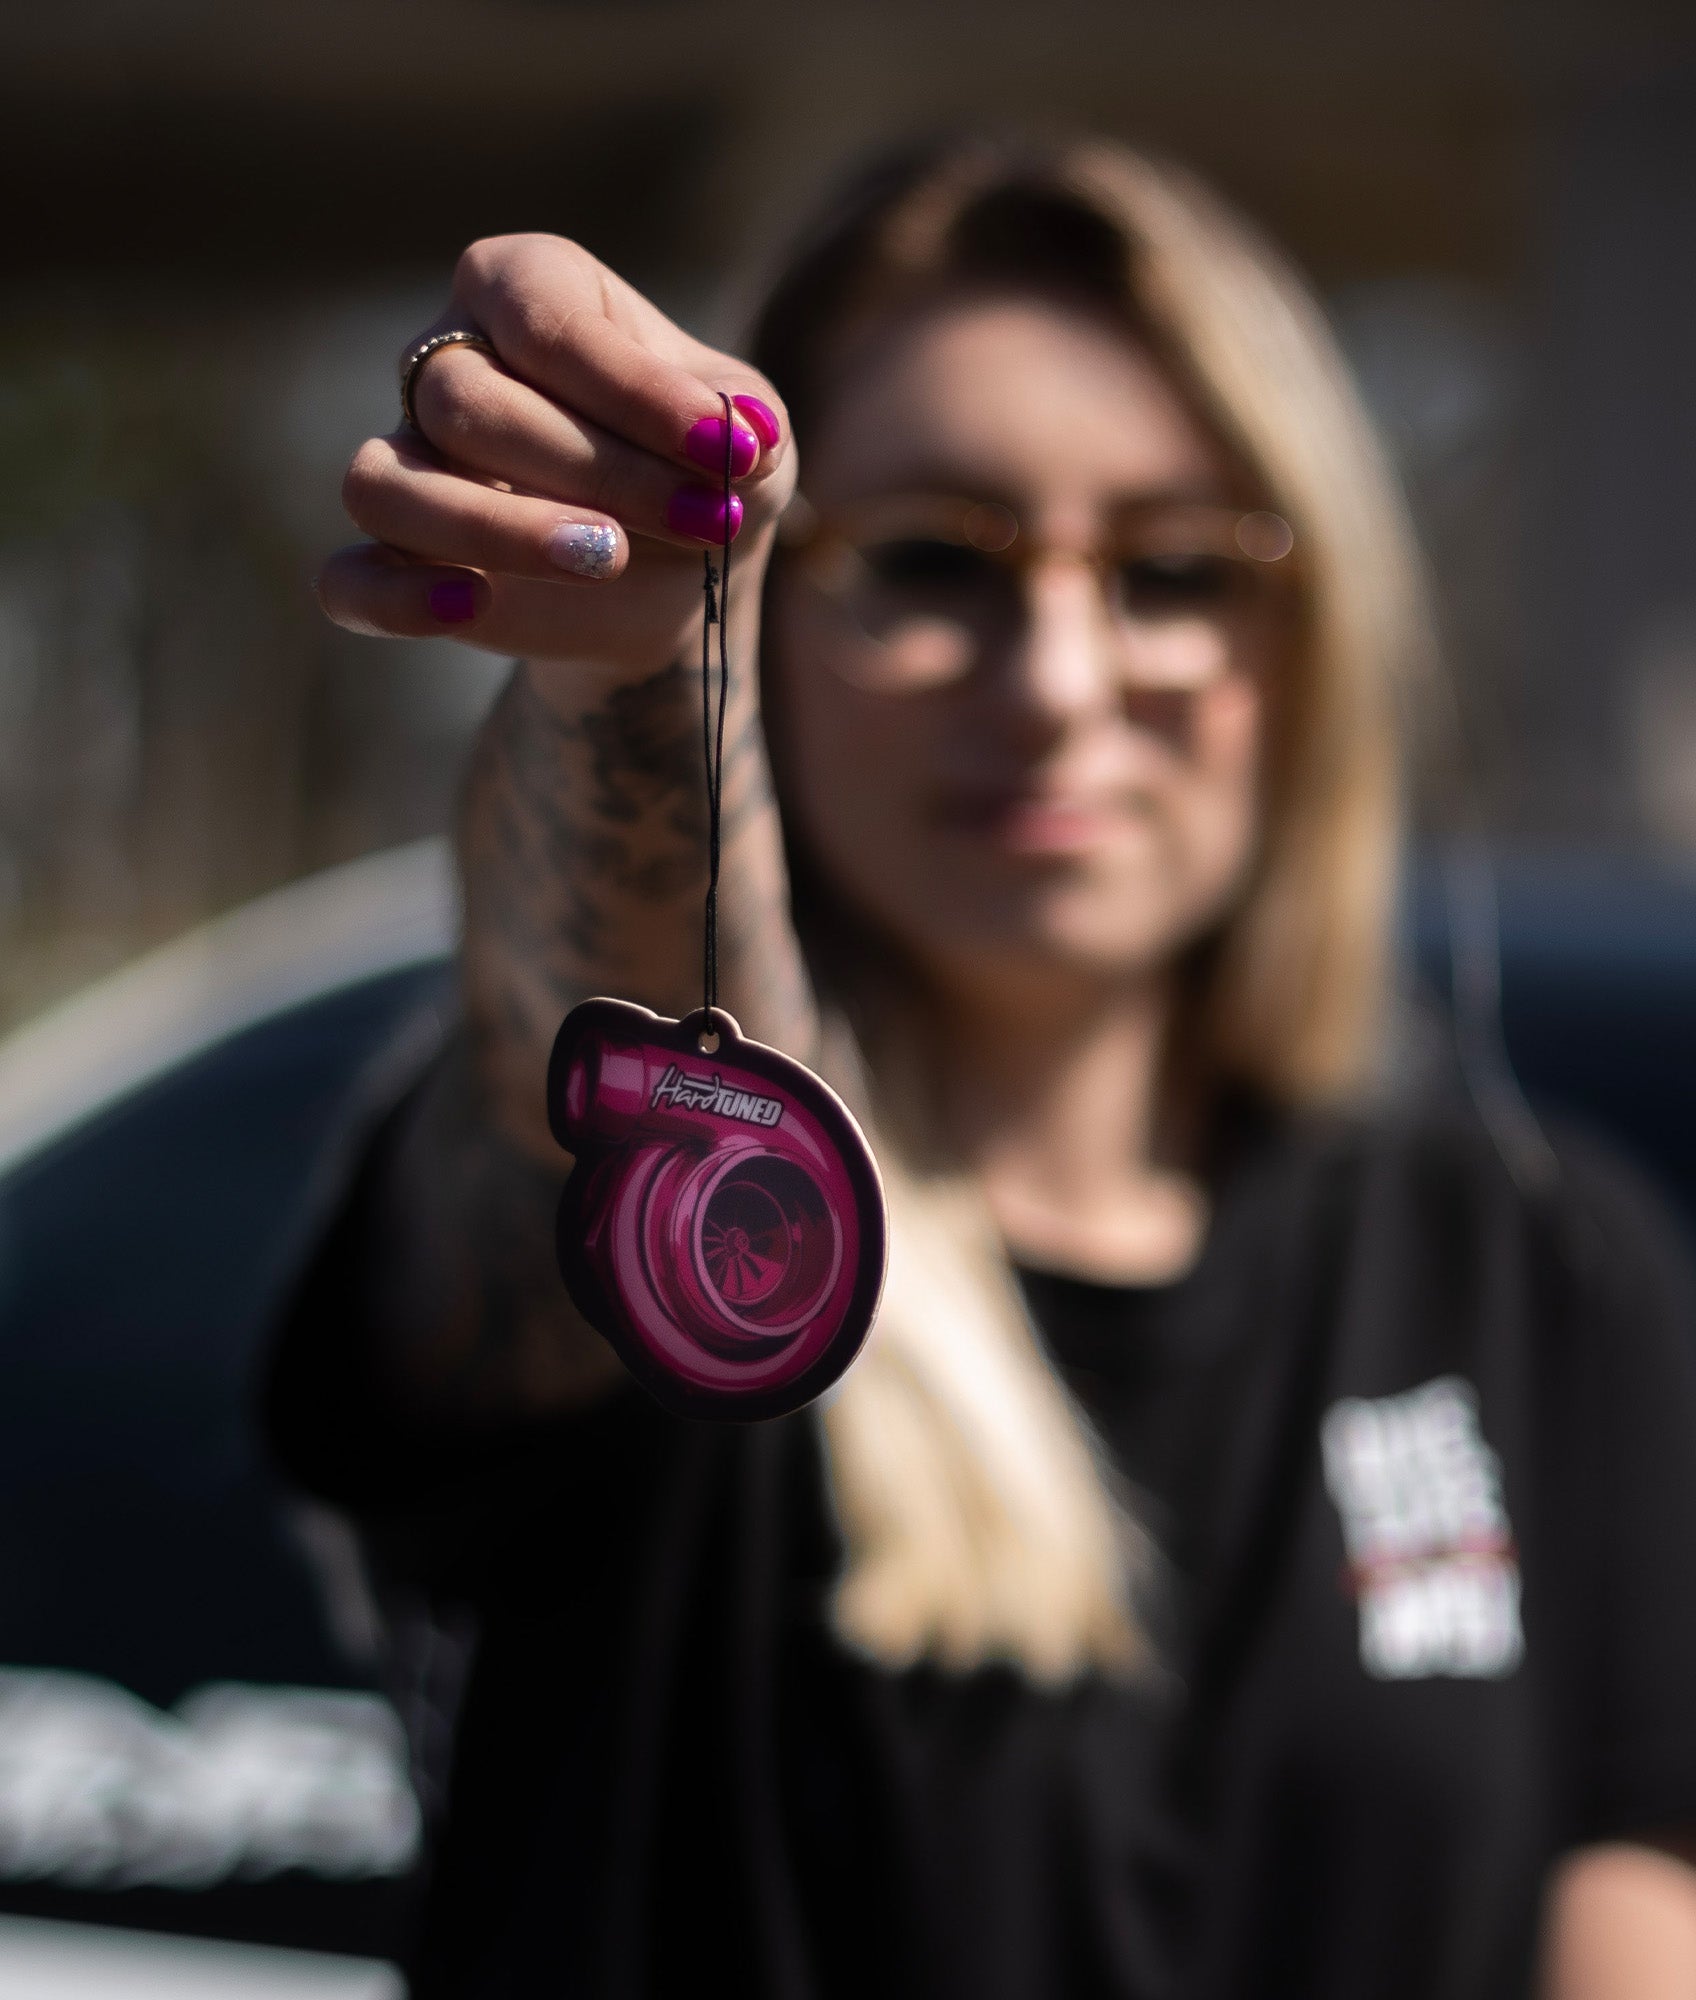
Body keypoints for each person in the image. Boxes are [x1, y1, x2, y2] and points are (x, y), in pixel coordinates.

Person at [270, 135, 1696, 1998]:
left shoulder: (1542, 1262)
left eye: (1174, 569)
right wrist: (635, 673)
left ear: (1313, 635)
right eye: (933, 558)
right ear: (774, 611)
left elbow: (1635, 1907)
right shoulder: (715, 1233)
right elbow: (581, 1034)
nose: (1057, 681)